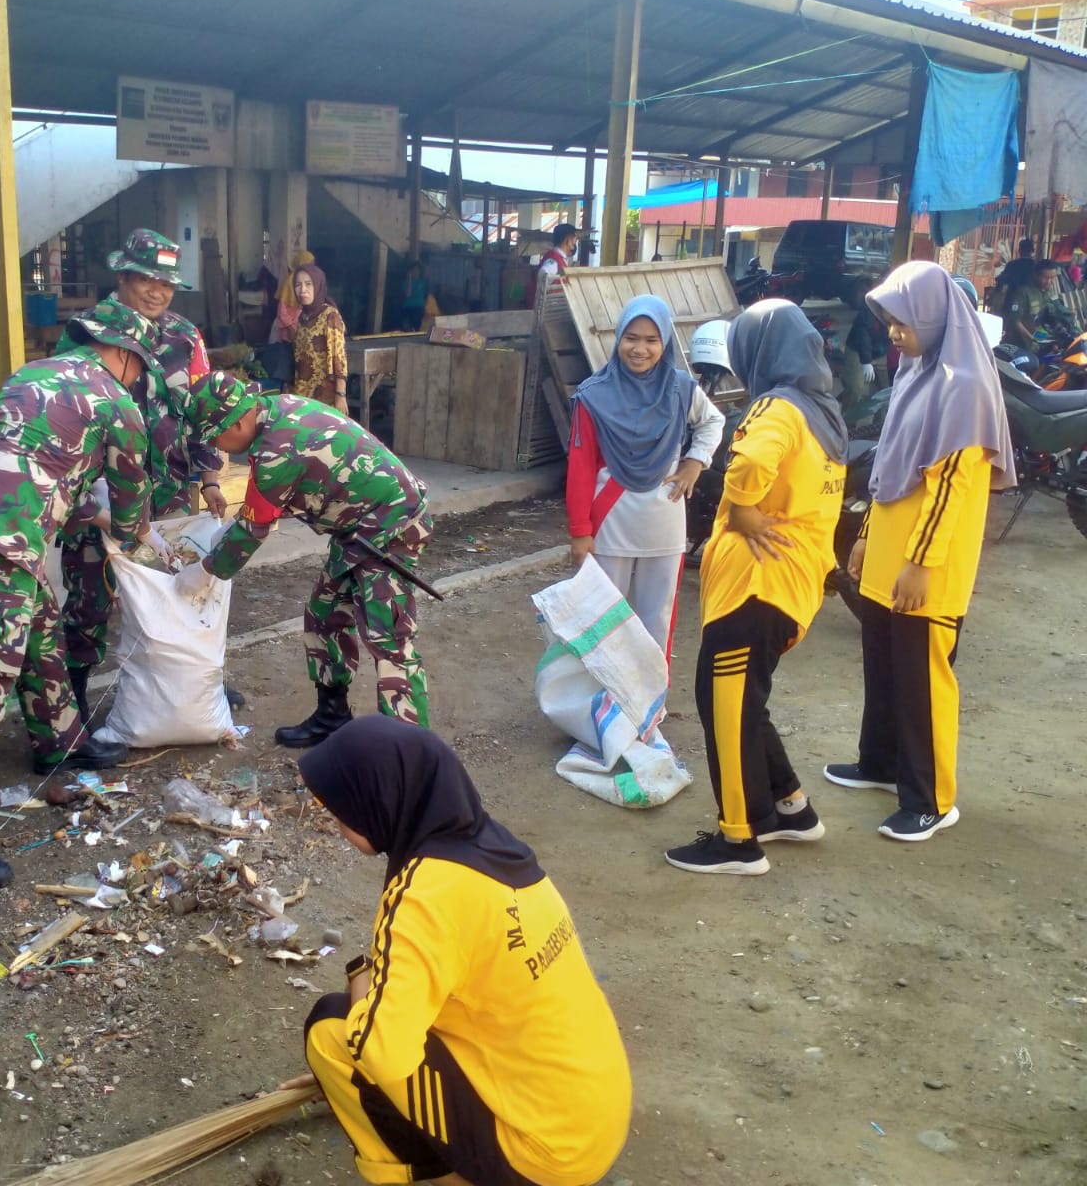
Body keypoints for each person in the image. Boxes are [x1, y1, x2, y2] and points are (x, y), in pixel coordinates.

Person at [297, 716, 632, 1186]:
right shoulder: (500, 853)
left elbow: (383, 1053)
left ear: (381, 800)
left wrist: (359, 1003)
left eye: (341, 809)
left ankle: (425, 1175)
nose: (337, 824)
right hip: (594, 1124)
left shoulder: (425, 893)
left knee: (332, 1028)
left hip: (542, 1158)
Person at [0, 299, 154, 891]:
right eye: (140, 366)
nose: (138, 377)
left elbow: (47, 463)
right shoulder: (116, 402)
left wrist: (89, 514)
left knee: (43, 624)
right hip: (4, 535)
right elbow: (131, 500)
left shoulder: (36, 373)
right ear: (124, 355)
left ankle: (59, 741)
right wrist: (135, 536)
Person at [824, 262, 1016, 842]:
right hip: (889, 553)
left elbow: (949, 490)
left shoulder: (965, 388)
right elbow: (889, 469)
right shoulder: (916, 372)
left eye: (903, 321)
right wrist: (865, 535)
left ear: (933, 317)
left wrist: (919, 564)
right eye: (888, 321)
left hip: (927, 567)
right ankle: (881, 764)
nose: (894, 332)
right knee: (884, 666)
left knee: (922, 678)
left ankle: (931, 798)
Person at [664, 299, 847, 875]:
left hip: (756, 587)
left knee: (725, 707)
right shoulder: (823, 412)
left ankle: (738, 840)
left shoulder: (777, 406)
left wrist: (740, 508)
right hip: (790, 584)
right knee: (744, 701)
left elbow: (749, 464)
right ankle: (790, 807)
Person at [178, 374, 431, 746]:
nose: (217, 447)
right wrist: (234, 529)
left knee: (388, 636)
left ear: (237, 424)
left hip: (392, 527)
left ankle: (411, 750)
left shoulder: (276, 451)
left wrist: (205, 570)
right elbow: (260, 507)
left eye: (216, 438)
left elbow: (252, 531)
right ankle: (333, 716)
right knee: (324, 615)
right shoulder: (275, 413)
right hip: (358, 529)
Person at [54, 228, 238, 717]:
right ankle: (73, 701)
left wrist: (210, 478)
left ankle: (188, 689)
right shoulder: (88, 331)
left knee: (179, 588)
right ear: (122, 276)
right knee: (90, 597)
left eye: (167, 284)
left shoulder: (185, 336)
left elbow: (201, 411)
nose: (157, 292)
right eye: (146, 280)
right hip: (100, 494)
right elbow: (67, 410)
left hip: (168, 492)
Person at [566, 296, 724, 661]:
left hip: (664, 519)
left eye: (652, 340)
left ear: (665, 342)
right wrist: (580, 531)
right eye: (631, 338)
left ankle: (650, 694)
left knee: (658, 619)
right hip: (610, 522)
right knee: (601, 619)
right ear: (618, 338)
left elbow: (712, 421)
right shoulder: (592, 395)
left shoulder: (681, 388)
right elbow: (580, 467)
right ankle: (602, 693)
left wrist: (695, 462)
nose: (640, 349)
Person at [290, 261, 348, 413]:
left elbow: (338, 357)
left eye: (308, 284)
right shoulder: (302, 317)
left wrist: (340, 395)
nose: (302, 290)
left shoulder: (330, 316)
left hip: (324, 397)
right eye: (298, 285)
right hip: (302, 395)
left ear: (318, 285)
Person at [840, 280, 891, 410]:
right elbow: (863, 336)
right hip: (857, 350)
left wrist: (882, 350)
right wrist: (866, 361)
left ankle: (880, 422)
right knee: (855, 387)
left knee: (885, 391)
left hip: (880, 351)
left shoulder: (900, 308)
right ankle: (847, 419)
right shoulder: (870, 309)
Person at [1004, 261, 1063, 357]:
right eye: (1045, 277)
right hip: (1021, 345)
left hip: (1042, 341)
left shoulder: (1050, 292)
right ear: (1036, 275)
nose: (1049, 282)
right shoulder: (1023, 292)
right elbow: (1015, 321)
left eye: (1052, 278)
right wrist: (1032, 339)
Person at [270, 249, 317, 344]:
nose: (313, 267)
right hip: (287, 329)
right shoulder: (291, 280)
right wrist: (291, 328)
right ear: (303, 264)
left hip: (298, 328)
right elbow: (282, 312)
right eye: (310, 264)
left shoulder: (308, 280)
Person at [399, 260, 430, 330]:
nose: (415, 271)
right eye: (413, 270)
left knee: (417, 328)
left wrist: (425, 307)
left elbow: (426, 295)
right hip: (407, 307)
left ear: (420, 271)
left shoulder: (424, 281)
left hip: (419, 308)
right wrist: (409, 279)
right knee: (406, 329)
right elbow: (408, 294)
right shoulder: (405, 283)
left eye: (417, 270)